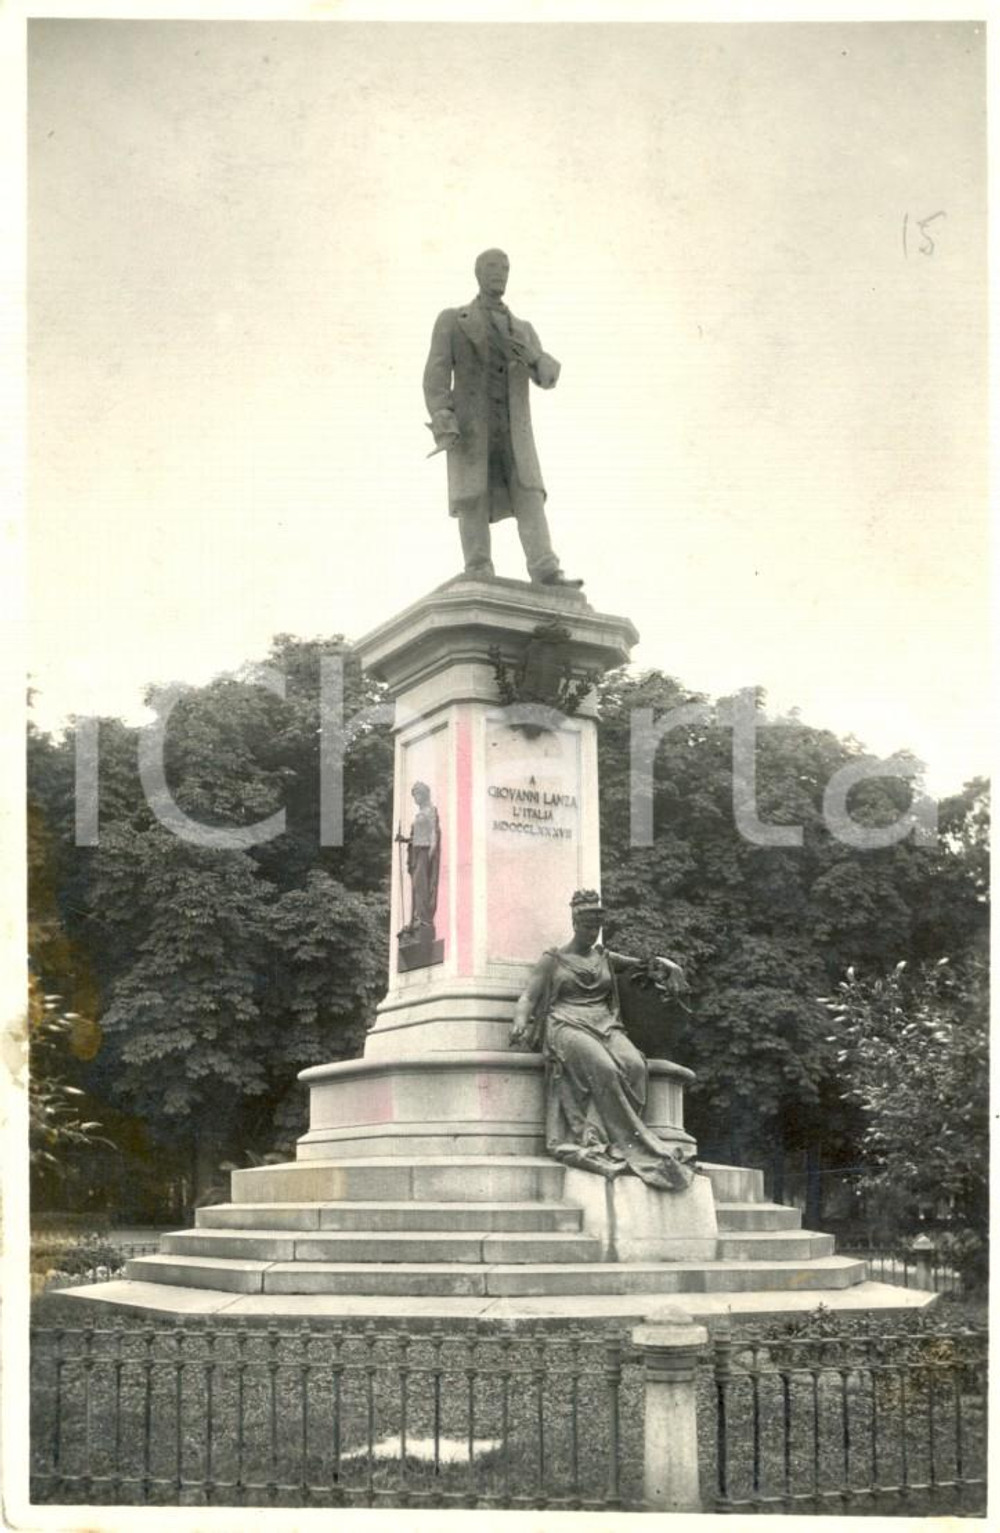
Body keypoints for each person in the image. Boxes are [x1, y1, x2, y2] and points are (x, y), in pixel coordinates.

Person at [509, 889, 696, 1191]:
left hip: (605, 1024)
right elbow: (529, 995)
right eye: (586, 926)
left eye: (596, 927)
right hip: (567, 1022)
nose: (592, 932)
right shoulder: (554, 959)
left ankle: (620, 1139)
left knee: (635, 1065)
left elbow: (646, 965)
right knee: (604, 1068)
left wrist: (668, 964)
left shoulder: (605, 957)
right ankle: (600, 1138)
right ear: (574, 924)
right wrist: (520, 1021)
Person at [423, 248, 582, 587]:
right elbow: (435, 376)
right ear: (478, 273)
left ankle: (546, 570)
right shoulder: (453, 320)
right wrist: (442, 417)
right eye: (493, 267)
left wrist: (535, 355)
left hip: (515, 429)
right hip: (471, 428)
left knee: (530, 493)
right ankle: (478, 568)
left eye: (505, 268)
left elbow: (548, 377)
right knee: (472, 496)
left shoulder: (523, 329)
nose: (500, 273)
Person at [395, 782, 441, 932]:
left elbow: (433, 832)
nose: (415, 798)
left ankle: (423, 918)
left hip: (424, 853)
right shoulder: (419, 814)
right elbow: (416, 836)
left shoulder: (430, 811)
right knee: (416, 886)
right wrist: (404, 839)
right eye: (414, 795)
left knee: (420, 884)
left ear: (425, 794)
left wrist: (431, 852)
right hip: (415, 853)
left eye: (418, 794)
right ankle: (416, 918)